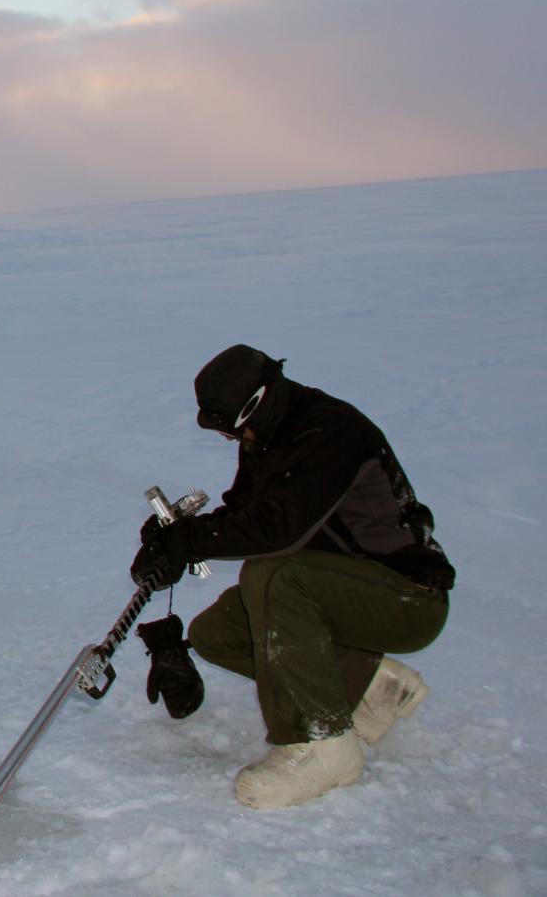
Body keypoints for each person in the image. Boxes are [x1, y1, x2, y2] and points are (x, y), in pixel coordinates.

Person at [131, 344, 455, 809]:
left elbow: (278, 530)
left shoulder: (331, 434)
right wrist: (174, 538)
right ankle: (373, 688)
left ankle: (322, 744)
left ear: (257, 402)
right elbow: (245, 515)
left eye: (230, 427)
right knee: (217, 634)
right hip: (345, 587)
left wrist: (193, 540)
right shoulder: (269, 432)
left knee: (274, 575)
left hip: (407, 596)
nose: (227, 438)